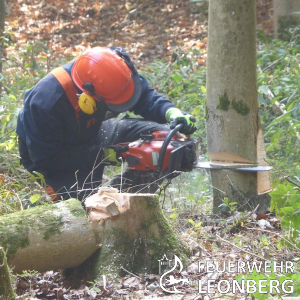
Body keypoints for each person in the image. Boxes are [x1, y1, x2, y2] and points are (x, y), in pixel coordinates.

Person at [16, 46, 196, 201]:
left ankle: (122, 197)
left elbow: (142, 96)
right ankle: (104, 204)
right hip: (54, 157)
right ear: (88, 97)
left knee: (167, 147)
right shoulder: (45, 104)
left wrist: (171, 112)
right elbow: (48, 159)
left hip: (93, 131)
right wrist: (105, 155)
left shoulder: (113, 66)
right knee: (86, 214)